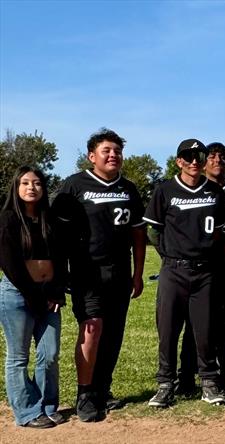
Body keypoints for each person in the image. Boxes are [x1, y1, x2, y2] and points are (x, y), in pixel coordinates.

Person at [51, 128, 146, 421]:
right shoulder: (74, 185)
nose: (113, 155)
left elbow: (138, 234)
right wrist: (60, 274)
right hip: (87, 272)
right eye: (107, 150)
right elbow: (57, 233)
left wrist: (138, 273)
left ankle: (103, 389)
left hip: (120, 272)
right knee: (92, 328)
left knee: (113, 335)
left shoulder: (128, 189)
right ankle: (85, 394)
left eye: (117, 151)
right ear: (92, 156)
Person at [143, 139, 225, 407]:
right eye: (188, 157)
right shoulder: (165, 190)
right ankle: (165, 384)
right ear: (179, 161)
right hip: (174, 270)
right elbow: (153, 230)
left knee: (204, 331)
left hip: (204, 271)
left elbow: (219, 232)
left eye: (198, 157)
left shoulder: (215, 191)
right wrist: (169, 255)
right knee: (168, 330)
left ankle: (209, 382)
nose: (194, 162)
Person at [0, 167, 71, 428]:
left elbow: (61, 258)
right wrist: (33, 296)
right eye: (25, 183)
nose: (32, 188)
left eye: (37, 183)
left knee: (49, 354)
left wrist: (56, 291)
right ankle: (27, 412)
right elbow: (9, 263)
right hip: (17, 295)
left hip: (48, 294)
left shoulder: (50, 220)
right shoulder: (7, 219)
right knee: (18, 357)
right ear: (16, 187)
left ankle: (47, 405)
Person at [176, 142, 225, 396]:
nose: (218, 161)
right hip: (200, 267)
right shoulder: (195, 190)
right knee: (194, 324)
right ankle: (186, 376)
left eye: (223, 157)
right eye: (213, 157)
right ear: (205, 162)